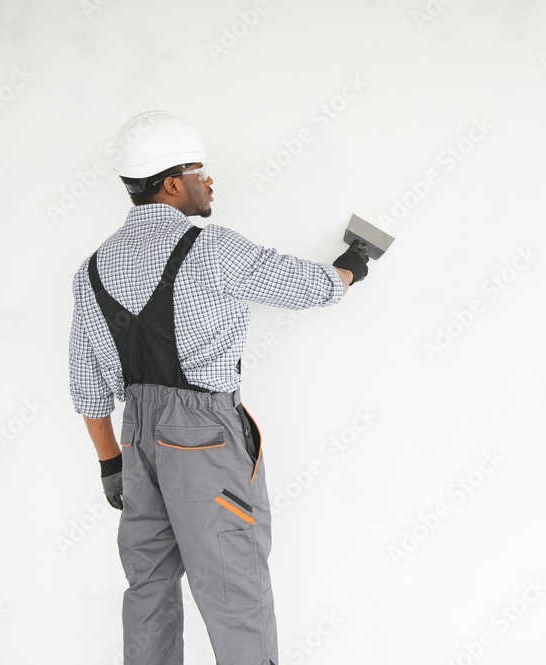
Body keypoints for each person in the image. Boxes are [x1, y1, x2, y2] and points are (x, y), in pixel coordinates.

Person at [67, 110, 369, 665]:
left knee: (148, 590)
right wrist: (354, 264)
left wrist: (112, 464)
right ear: (172, 182)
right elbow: (307, 287)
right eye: (200, 171)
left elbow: (86, 387)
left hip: (136, 441)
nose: (210, 182)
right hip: (203, 433)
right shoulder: (211, 248)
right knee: (234, 587)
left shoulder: (92, 270)